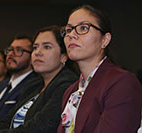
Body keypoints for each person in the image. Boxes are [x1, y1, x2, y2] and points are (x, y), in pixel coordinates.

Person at [57, 4, 142, 133]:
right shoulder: (71, 91)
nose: (72, 35)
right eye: (68, 30)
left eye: (83, 28)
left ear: (105, 40)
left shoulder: (122, 83)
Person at [0, 25, 78, 133]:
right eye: (35, 47)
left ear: (64, 56)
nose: (37, 52)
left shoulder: (67, 84)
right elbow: (6, 121)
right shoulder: (33, 85)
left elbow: (41, 127)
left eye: (47, 47)